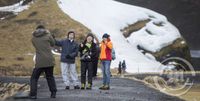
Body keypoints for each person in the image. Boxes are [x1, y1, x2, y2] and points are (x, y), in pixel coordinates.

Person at [30, 25, 57, 99]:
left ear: (36, 30)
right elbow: (53, 43)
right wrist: (51, 36)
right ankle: (53, 93)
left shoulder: (33, 38)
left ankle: (33, 95)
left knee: (34, 78)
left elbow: (35, 45)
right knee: (50, 77)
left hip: (40, 61)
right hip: (49, 60)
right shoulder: (48, 35)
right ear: (44, 29)